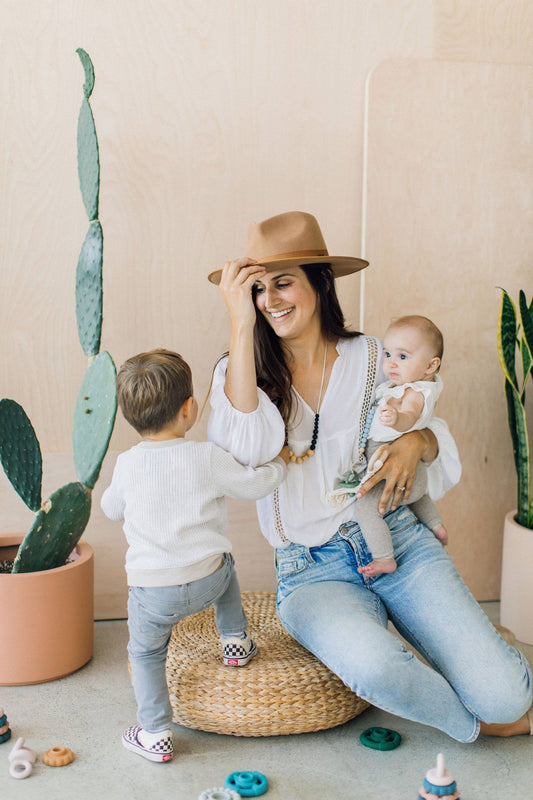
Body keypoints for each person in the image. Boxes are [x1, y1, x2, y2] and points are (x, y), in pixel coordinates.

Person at [207, 210, 532, 743]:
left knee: (506, 692)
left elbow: (427, 422)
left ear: (320, 280)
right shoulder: (238, 371)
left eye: (283, 282)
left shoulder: (375, 355)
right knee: (379, 669)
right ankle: (477, 722)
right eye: (258, 288)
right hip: (311, 572)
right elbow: (241, 453)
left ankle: (468, 656)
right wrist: (241, 325)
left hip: (396, 536)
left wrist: (416, 441)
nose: (271, 300)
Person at [100, 349, 286, 762]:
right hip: (209, 580)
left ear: (129, 418)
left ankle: (155, 734)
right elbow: (254, 486)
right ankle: (235, 640)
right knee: (226, 562)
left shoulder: (127, 464)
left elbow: (111, 509)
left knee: (146, 654)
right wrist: (281, 465)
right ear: (190, 408)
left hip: (154, 594)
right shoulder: (206, 456)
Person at [334, 314, 449, 577]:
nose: (391, 363)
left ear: (431, 365)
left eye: (403, 357)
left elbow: (410, 415)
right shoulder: (405, 385)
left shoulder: (416, 393)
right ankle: (436, 524)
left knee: (366, 509)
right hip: (412, 473)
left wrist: (397, 419)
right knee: (417, 493)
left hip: (392, 467)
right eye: (388, 354)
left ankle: (384, 557)